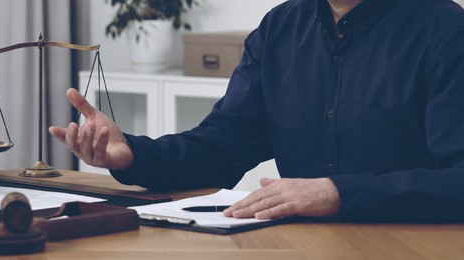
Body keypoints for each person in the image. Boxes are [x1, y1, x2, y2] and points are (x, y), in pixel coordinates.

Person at [50, 0, 464, 222]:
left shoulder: (444, 31)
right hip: (299, 249)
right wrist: (134, 155)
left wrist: (341, 193)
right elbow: (221, 148)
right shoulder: (279, 29)